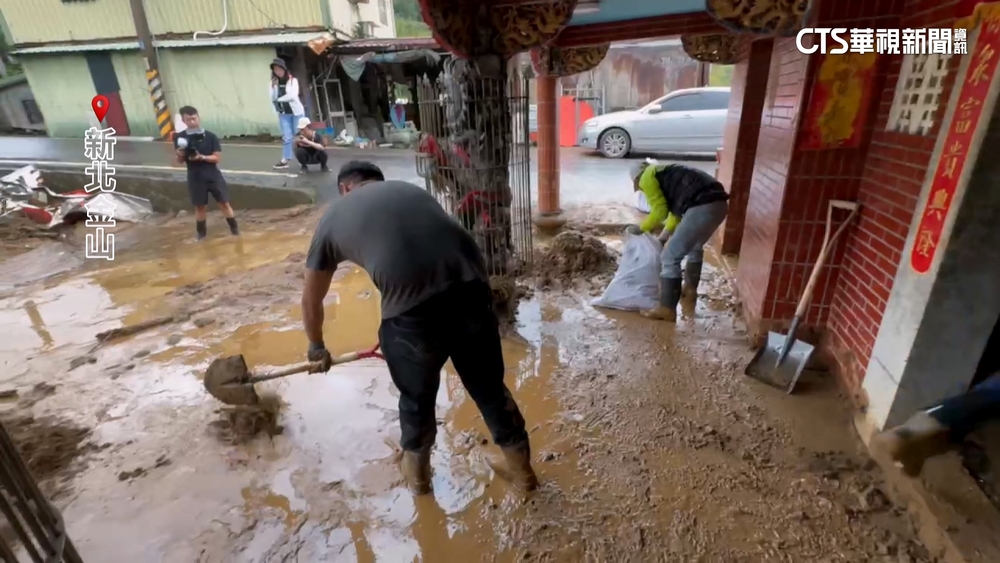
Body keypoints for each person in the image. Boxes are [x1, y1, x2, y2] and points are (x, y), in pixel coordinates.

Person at [301, 161, 538, 495]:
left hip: (411, 315)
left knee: (416, 399)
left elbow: (311, 299)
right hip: (473, 292)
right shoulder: (410, 191)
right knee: (490, 390)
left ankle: (419, 482)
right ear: (379, 181)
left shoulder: (333, 216)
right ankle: (524, 475)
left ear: (345, 188)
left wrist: (316, 346)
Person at [625, 161, 729, 322]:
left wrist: (641, 228)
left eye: (638, 186)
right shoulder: (665, 174)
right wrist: (664, 236)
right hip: (719, 205)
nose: (641, 189)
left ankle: (666, 309)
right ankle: (689, 291)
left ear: (637, 179)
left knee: (669, 257)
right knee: (695, 246)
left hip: (701, 206)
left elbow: (660, 211)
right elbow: (675, 214)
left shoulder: (646, 177)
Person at [872, 373, 1000, 477]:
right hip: (945, 424)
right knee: (984, 398)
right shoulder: (919, 438)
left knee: (987, 397)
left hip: (945, 421)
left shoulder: (924, 432)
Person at [173, 106, 238, 240]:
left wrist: (201, 157)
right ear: (183, 121)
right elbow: (179, 161)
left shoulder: (210, 136)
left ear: (199, 118)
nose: (192, 122)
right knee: (200, 206)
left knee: (224, 203)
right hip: (195, 176)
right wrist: (180, 153)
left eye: (194, 118)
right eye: (189, 119)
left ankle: (235, 231)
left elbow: (217, 158)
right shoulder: (180, 138)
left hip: (213, 175)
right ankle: (201, 235)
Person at [269, 57, 305, 170]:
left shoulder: (293, 81)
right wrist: (273, 88)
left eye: (279, 69)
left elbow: (292, 96)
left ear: (284, 69)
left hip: (297, 113)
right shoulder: (273, 83)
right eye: (275, 69)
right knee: (287, 137)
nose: (278, 71)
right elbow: (272, 98)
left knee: (299, 136)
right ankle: (285, 160)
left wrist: (279, 99)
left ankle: (303, 159)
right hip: (283, 113)